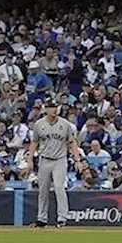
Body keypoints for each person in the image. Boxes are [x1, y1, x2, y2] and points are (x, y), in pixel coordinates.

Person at [27, 98, 82, 228]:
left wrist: (77, 160)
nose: (54, 109)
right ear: (46, 109)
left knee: (59, 187)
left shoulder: (65, 124)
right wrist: (29, 160)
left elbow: (72, 142)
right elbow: (34, 142)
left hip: (60, 159)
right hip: (44, 159)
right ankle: (42, 219)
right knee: (43, 190)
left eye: (55, 106)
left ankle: (62, 218)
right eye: (51, 107)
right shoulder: (39, 124)